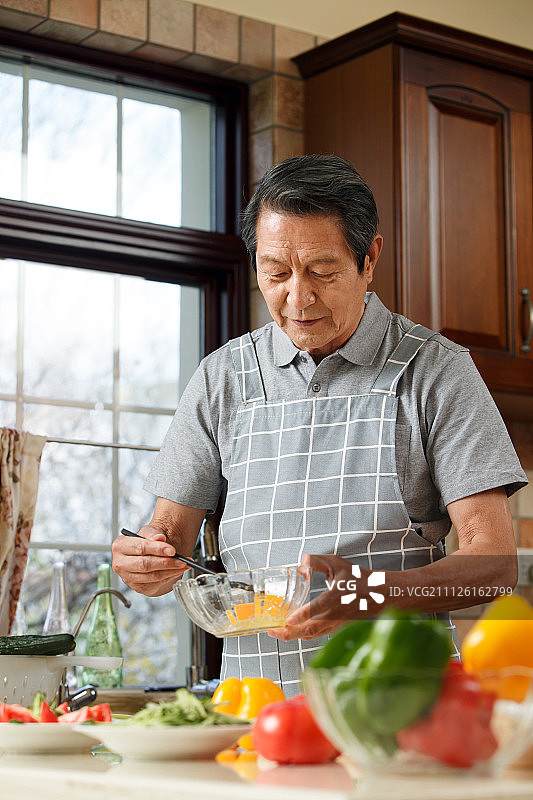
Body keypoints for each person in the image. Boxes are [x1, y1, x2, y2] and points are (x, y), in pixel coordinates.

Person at [112, 154, 527, 696]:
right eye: (276, 273)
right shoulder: (223, 377)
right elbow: (170, 536)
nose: (298, 297)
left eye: (323, 272)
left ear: (369, 257)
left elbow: (495, 565)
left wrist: (367, 593)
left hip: (401, 702)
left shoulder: (436, 370)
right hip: (254, 707)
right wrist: (147, 560)